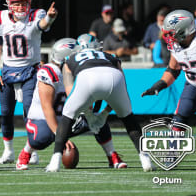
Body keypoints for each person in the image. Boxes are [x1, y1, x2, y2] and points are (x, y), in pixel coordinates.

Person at [45, 33, 155, 172]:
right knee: (128, 119)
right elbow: (119, 87)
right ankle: (145, 160)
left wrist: (88, 114)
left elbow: (70, 91)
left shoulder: (70, 59)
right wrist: (104, 114)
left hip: (87, 77)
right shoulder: (111, 56)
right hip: (114, 77)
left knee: (67, 116)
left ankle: (55, 161)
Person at [15, 38, 127, 170]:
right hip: (43, 120)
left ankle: (112, 156)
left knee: (98, 120)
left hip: (67, 119)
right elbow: (47, 109)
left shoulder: (78, 72)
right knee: (42, 137)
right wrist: (60, 137)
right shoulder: (50, 72)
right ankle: (26, 152)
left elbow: (88, 105)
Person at [0, 0, 57, 165]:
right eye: (16, 4)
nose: (19, 7)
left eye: (23, 3)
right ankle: (8, 152)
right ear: (9, 5)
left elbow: (43, 25)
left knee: (30, 112)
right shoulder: (0, 18)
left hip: (30, 71)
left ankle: (32, 150)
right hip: (8, 71)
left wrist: (49, 17)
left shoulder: (37, 15)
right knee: (5, 113)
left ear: (29, 4)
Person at [142, 9, 196, 130]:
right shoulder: (176, 46)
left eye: (171, 33)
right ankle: (173, 149)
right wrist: (159, 85)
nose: (168, 37)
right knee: (177, 122)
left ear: (184, 30)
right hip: (195, 87)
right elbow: (173, 69)